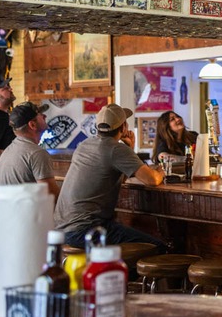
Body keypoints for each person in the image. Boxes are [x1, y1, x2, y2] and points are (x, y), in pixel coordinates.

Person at [54, 105, 166, 250]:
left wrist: (129, 149)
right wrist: (163, 170)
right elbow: (153, 180)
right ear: (123, 127)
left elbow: (115, 176)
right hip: (86, 230)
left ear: (97, 126)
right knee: (157, 247)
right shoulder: (116, 149)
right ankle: (126, 272)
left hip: (62, 229)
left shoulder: (84, 145)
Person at [0, 102, 58, 198]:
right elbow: (52, 196)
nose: (45, 116)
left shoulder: (9, 150)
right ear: (32, 125)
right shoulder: (36, 153)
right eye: (41, 115)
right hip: (26, 212)